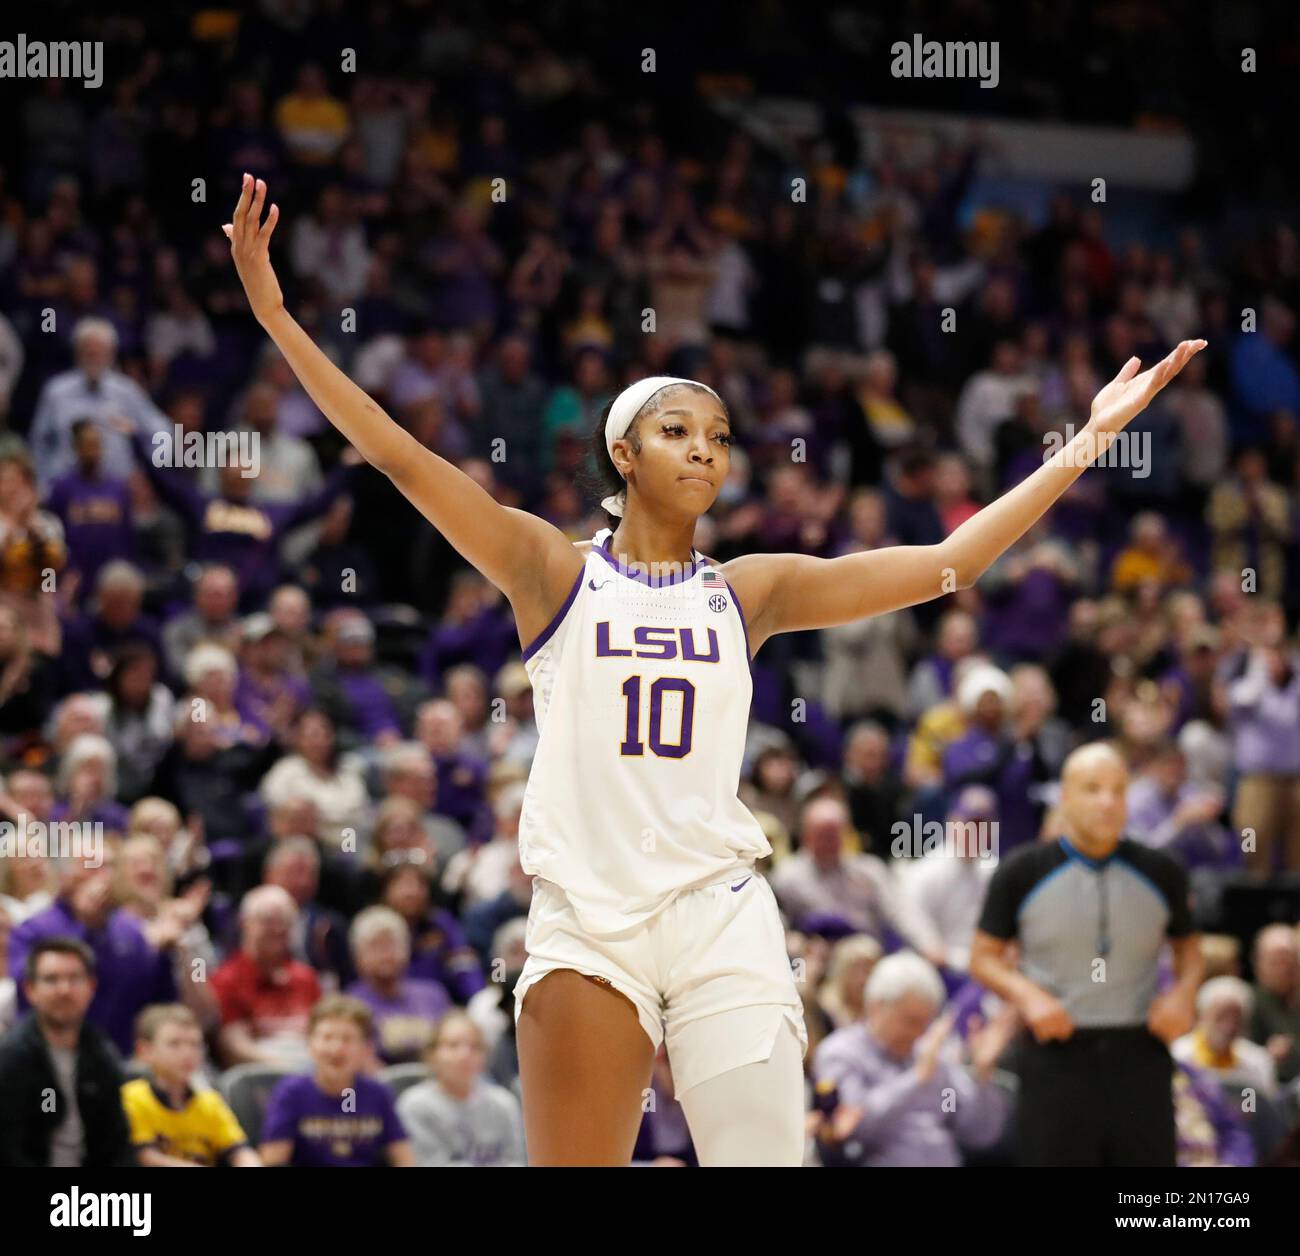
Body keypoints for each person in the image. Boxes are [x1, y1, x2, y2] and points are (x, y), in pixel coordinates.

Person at [222, 170, 1206, 1165]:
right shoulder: (551, 570)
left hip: (718, 912)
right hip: (588, 919)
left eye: (720, 438)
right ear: (623, 451)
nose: (705, 450)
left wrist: (1086, 441)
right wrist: (277, 319)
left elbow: (951, 564)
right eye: (678, 431)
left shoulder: (749, 591)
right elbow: (399, 456)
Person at [970, 741, 1204, 1166]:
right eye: (1093, 789)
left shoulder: (1162, 870)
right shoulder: (1021, 872)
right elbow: (982, 957)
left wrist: (1183, 996)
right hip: (1055, 1055)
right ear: (1064, 797)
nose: (1108, 801)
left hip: (1141, 1054)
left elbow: (1189, 949)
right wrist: (1028, 996)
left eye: (1119, 790)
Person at [810, 951, 1016, 1167]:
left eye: (925, 1023)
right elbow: (850, 1132)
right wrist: (915, 1079)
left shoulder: (930, 1056)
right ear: (876, 1007)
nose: (918, 1033)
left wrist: (982, 1073)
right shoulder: (841, 1053)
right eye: (910, 1021)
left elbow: (978, 1134)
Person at [0, 938, 133, 1166]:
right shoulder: (10, 1058)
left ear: (91, 987)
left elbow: (117, 1143)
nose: (64, 990)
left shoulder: (102, 1053)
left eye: (74, 979)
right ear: (30, 990)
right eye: (51, 979)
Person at [259, 994, 412, 1167]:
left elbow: (404, 1160)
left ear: (365, 1048)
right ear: (310, 1044)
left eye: (347, 1039)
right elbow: (273, 1161)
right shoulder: (291, 1093)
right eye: (327, 1037)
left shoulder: (378, 1094)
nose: (336, 1048)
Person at [121, 1004, 261, 1166]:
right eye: (174, 1044)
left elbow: (240, 1150)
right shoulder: (133, 1097)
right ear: (144, 1051)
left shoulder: (210, 1102)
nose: (187, 1053)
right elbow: (146, 1158)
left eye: (195, 1044)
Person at [396, 1010, 526, 1166]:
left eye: (475, 1047)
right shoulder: (415, 1106)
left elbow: (516, 1161)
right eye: (453, 1045)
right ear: (432, 1055)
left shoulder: (504, 1102)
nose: (465, 1055)